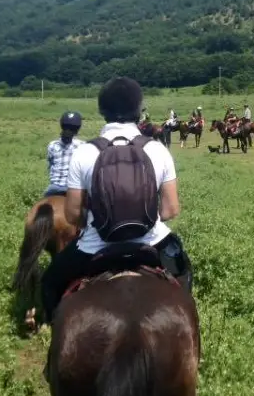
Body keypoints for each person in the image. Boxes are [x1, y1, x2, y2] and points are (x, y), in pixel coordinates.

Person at [40, 76, 193, 326]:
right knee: (185, 271)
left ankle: (53, 332)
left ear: (102, 110)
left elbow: (73, 215)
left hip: (95, 245)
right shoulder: (158, 150)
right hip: (151, 241)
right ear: (138, 109)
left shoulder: (85, 152)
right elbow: (170, 209)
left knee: (49, 281)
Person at [44, 111, 83, 197]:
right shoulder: (82, 145)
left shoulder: (52, 145)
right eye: (66, 128)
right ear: (76, 131)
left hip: (54, 187)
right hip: (74, 188)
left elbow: (50, 166)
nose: (67, 131)